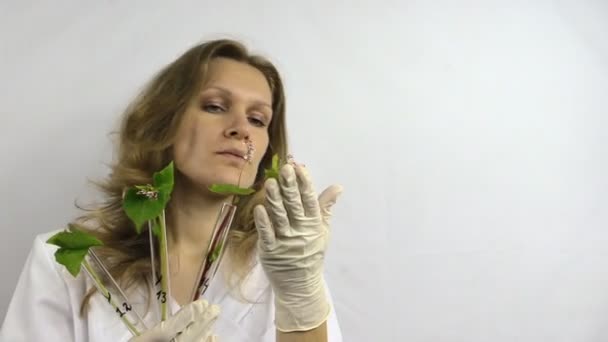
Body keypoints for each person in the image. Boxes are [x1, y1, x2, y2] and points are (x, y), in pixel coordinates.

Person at [0, 38, 344, 342]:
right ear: (164, 121)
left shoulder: (284, 266)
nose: (241, 129)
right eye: (215, 106)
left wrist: (301, 297)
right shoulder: (68, 263)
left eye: (258, 119)